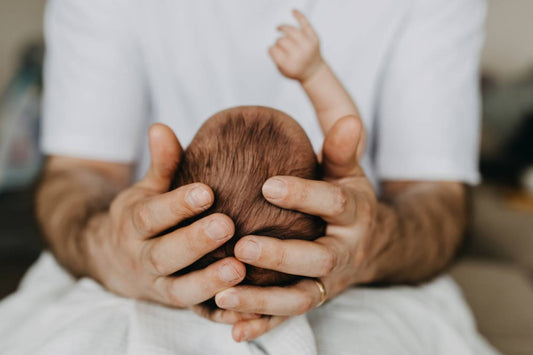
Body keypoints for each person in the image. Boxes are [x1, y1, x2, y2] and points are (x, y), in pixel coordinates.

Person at [10, 0, 497, 353]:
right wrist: (111, 245)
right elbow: (80, 174)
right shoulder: (334, 157)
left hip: (364, 279)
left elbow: (433, 196)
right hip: (137, 276)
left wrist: (375, 240)